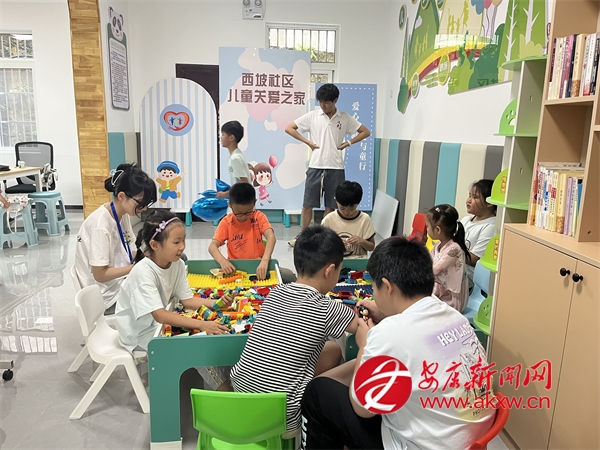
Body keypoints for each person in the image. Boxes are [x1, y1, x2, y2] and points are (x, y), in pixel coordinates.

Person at [301, 237, 495, 449]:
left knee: (318, 392)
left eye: (374, 288)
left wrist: (364, 344)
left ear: (387, 286)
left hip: (421, 445)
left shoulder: (387, 334)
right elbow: (413, 337)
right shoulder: (454, 316)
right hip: (469, 438)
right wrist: (388, 315)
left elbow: (362, 408)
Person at [229, 225, 359, 432]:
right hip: (284, 416)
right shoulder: (326, 307)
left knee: (332, 349)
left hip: (242, 395)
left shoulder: (276, 292)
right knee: (353, 366)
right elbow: (359, 327)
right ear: (329, 271)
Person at [115, 210, 230, 352]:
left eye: (183, 240)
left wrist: (218, 303)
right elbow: (160, 315)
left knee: (203, 340)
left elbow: (187, 300)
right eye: (176, 242)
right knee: (193, 348)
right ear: (155, 245)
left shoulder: (177, 263)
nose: (182, 246)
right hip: (137, 335)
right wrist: (201, 325)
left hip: (156, 325)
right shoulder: (143, 272)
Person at [285, 83, 371, 246]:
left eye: (326, 102)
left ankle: (324, 237)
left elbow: (365, 132)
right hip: (316, 165)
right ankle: (303, 237)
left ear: (335, 100)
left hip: (336, 166)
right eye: (320, 102)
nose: (323, 105)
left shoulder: (344, 117)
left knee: (331, 206)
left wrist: (348, 143)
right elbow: (289, 128)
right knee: (308, 204)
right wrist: (308, 142)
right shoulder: (313, 116)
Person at [74, 163, 156, 314]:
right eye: (141, 203)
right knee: (156, 293)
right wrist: (137, 267)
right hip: (105, 298)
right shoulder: (100, 225)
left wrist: (151, 255)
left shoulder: (122, 215)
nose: (144, 208)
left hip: (119, 284)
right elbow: (100, 275)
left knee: (166, 263)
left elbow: (124, 253)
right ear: (122, 196)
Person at [208, 182, 276, 280]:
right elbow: (212, 246)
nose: (243, 217)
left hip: (258, 266)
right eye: (239, 213)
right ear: (230, 205)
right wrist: (222, 261)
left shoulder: (259, 217)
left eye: (248, 212)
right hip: (235, 268)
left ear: (254, 203)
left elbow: (271, 237)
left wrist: (265, 260)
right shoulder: (227, 222)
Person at [426, 204, 470, 312]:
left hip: (452, 300)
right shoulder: (439, 245)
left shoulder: (454, 249)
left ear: (438, 230)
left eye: (427, 226)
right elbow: (428, 259)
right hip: (441, 292)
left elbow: (435, 270)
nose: (426, 229)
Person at [321, 180, 375, 258]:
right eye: (342, 208)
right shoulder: (328, 220)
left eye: (351, 208)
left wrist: (362, 241)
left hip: (358, 260)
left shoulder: (364, 219)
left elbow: (371, 247)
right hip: (335, 261)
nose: (346, 212)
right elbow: (321, 247)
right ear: (336, 200)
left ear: (359, 202)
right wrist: (336, 243)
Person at [460, 179, 497, 290]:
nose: (469, 200)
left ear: (489, 202)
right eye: (469, 196)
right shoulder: (465, 220)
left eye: (475, 197)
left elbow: (473, 259)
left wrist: (448, 253)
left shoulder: (491, 226)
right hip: (455, 268)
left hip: (468, 276)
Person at [216, 120, 252, 199]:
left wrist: (226, 194)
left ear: (231, 138)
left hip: (241, 203)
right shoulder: (236, 156)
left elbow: (245, 185)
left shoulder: (235, 158)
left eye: (223, 134)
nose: (221, 137)